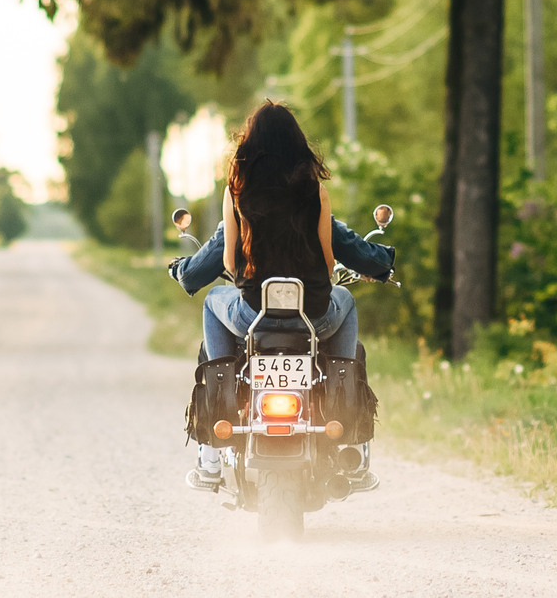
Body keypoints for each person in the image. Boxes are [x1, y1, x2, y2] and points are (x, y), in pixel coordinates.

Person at [166, 100, 391, 492]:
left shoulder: (237, 189)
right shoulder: (314, 190)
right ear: (297, 144)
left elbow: (230, 262)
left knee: (211, 302)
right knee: (347, 300)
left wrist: (242, 278)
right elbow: (326, 257)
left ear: (249, 144)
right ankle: (349, 436)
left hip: (254, 315)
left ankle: (211, 452)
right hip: (313, 314)